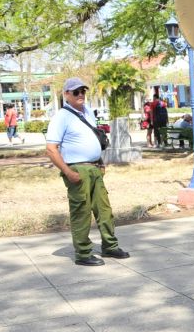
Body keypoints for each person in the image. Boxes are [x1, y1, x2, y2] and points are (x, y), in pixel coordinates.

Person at [44, 77, 130, 266]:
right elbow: (51, 149)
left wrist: (100, 162)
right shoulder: (61, 117)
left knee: (104, 209)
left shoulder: (88, 111)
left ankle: (110, 246)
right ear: (66, 94)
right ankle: (83, 253)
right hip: (77, 170)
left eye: (83, 91)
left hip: (94, 168)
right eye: (76, 92)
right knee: (81, 212)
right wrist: (68, 172)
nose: (80, 94)